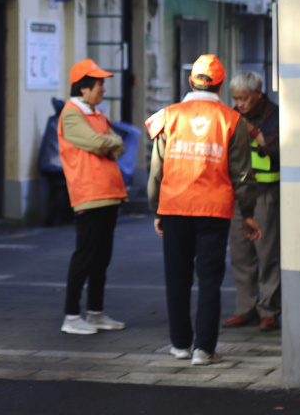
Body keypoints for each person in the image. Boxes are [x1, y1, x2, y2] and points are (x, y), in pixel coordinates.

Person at [146, 55, 261, 366]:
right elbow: (243, 173)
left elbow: (157, 168)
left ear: (190, 81)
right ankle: (204, 349)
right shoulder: (232, 120)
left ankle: (180, 344)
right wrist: (248, 212)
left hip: (175, 207)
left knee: (177, 277)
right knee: (209, 279)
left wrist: (156, 208)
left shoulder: (169, 116)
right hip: (215, 210)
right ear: (221, 86)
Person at [58, 58, 128, 335]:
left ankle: (96, 312)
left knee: (101, 257)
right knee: (85, 256)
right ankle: (72, 316)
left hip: (109, 193)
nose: (103, 89)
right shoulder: (72, 114)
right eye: (99, 84)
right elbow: (100, 143)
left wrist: (109, 143)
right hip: (89, 194)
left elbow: (116, 144)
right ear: (83, 88)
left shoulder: (96, 114)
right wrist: (110, 143)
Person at [221, 71, 281, 332]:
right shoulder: (231, 116)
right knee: (241, 255)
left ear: (258, 94)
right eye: (235, 99)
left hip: (265, 193)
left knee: (267, 253)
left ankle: (269, 310)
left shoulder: (275, 116)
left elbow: (278, 149)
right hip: (236, 193)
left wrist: (254, 132)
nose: (240, 104)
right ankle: (245, 308)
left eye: (244, 99)